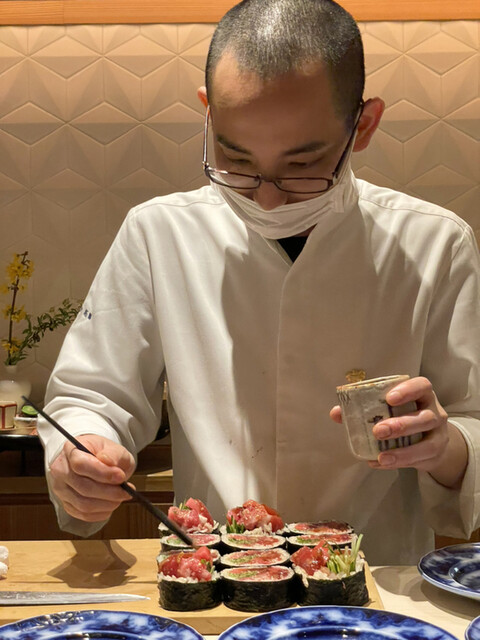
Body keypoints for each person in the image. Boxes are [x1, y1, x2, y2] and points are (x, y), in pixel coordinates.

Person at [37, 0, 480, 565]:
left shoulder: (435, 243)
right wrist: (82, 450)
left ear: (363, 125)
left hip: (374, 582)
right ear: (208, 116)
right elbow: (91, 396)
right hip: (213, 575)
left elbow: (472, 423)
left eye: (302, 165)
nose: (267, 198)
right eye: (237, 159)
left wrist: (444, 446)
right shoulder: (158, 233)